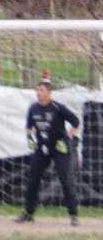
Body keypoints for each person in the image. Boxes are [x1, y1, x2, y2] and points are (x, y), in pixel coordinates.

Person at [16, 81, 80, 226]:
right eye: (37, 90)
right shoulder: (33, 108)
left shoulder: (58, 107)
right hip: (42, 148)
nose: (38, 93)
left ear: (49, 93)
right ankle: (28, 213)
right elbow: (29, 127)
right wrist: (30, 138)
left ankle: (73, 214)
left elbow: (76, 122)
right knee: (33, 179)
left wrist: (68, 137)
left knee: (66, 179)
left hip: (59, 148)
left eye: (41, 90)